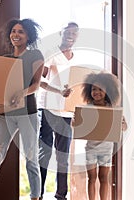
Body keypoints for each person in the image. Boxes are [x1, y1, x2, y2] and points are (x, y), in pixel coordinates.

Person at [0, 18, 44, 200]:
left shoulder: (35, 55)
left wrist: (23, 93)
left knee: (31, 160)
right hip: (6, 115)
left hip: (27, 114)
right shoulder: (5, 60)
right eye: (14, 31)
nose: (16, 34)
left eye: (21, 31)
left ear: (28, 35)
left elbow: (37, 84)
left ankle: (35, 197)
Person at [37, 22, 79, 200]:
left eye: (74, 33)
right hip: (48, 109)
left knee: (63, 157)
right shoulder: (51, 53)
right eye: (68, 32)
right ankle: (37, 194)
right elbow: (39, 80)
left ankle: (61, 196)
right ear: (61, 34)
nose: (71, 35)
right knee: (44, 153)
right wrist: (59, 91)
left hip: (67, 113)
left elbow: (80, 85)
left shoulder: (77, 58)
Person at [80, 72, 127, 200]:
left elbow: (123, 127)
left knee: (104, 178)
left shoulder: (112, 109)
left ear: (108, 91)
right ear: (89, 91)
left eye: (100, 89)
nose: (96, 92)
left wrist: (122, 124)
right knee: (91, 178)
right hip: (90, 148)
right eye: (94, 89)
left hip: (106, 149)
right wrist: (75, 122)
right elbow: (79, 127)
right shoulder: (87, 108)